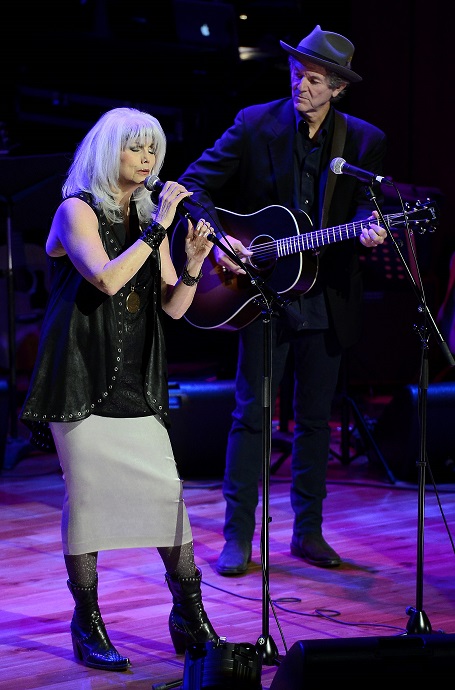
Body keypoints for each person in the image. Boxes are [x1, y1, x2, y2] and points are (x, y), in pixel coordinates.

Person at [177, 25, 388, 575]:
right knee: (251, 415)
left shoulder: (364, 141)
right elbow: (192, 183)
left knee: (316, 419)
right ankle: (237, 536)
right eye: (297, 74)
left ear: (338, 89)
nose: (301, 87)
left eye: (314, 80)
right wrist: (220, 235)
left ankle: (308, 533)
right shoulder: (255, 124)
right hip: (261, 291)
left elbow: (371, 210)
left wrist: (372, 229)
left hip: (326, 296)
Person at [20, 107, 219, 670]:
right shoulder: (74, 210)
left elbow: (174, 309)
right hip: (79, 379)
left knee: (166, 495)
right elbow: (106, 278)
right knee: (90, 499)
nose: (148, 159)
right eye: (136, 149)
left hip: (137, 379)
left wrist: (193, 264)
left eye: (153, 150)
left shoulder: (147, 222)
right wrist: (160, 228)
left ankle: (190, 615)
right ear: (111, 153)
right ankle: (87, 624)